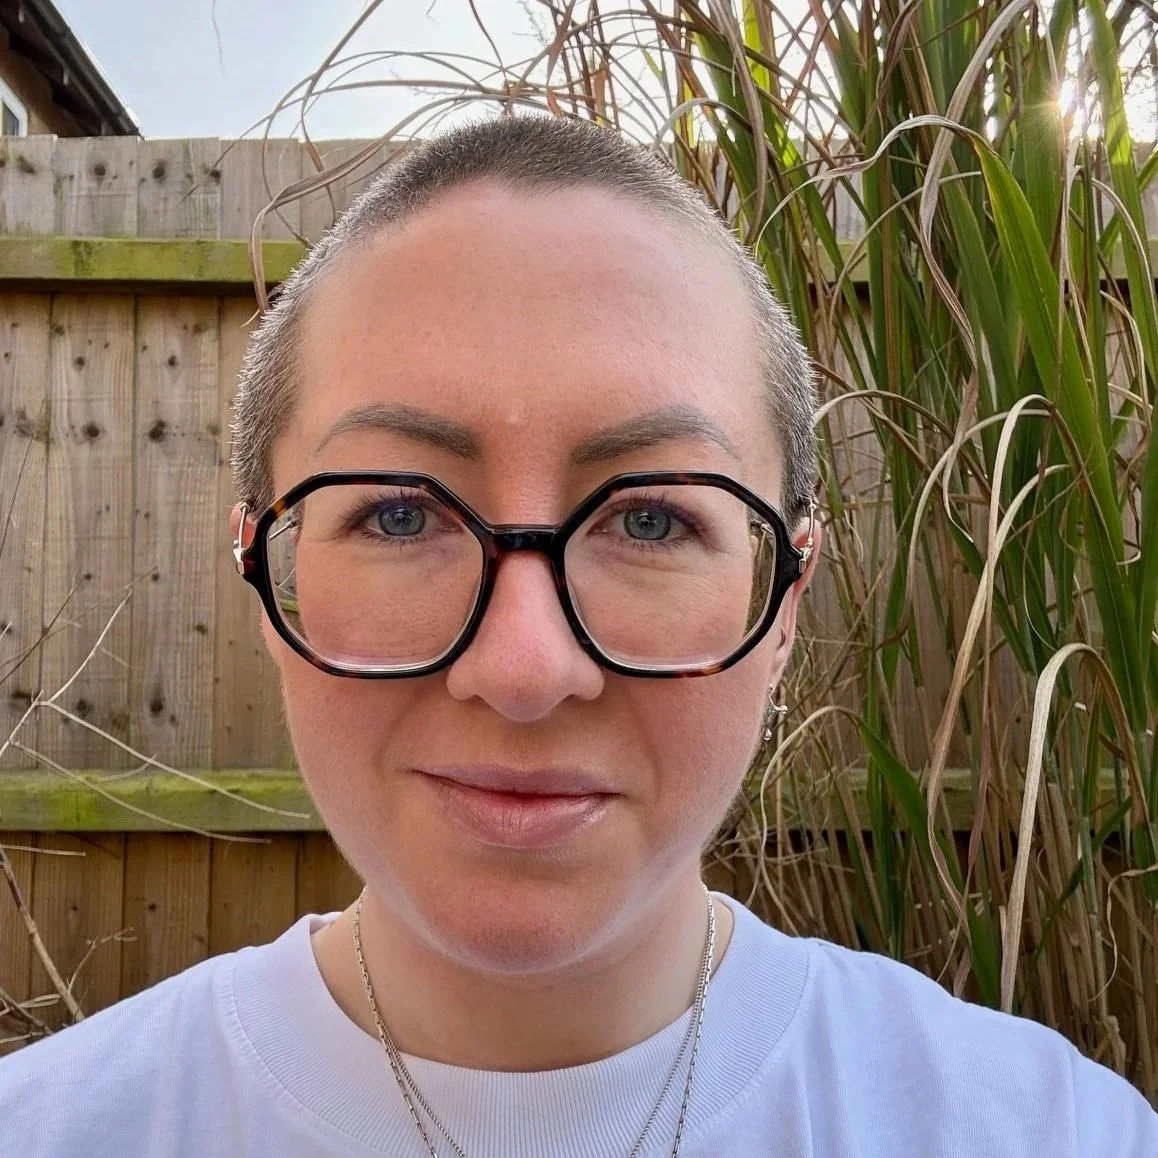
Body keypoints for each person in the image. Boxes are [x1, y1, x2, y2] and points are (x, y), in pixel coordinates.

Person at [1, 113, 1155, 1158]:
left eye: (650, 519)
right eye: (399, 513)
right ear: (269, 578)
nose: (524, 668)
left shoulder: (1051, 1133)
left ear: (786, 600)